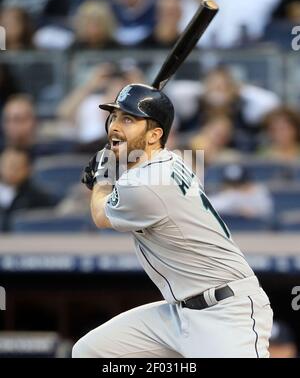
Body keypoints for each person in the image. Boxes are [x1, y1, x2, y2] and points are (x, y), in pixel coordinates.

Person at [73, 83, 273, 358]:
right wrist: (112, 166)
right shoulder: (171, 158)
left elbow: (99, 214)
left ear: (155, 134)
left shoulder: (145, 184)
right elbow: (137, 168)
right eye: (115, 117)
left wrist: (102, 177)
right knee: (91, 351)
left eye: (128, 119)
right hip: (179, 313)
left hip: (227, 313)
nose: (115, 126)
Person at [0, 147, 56, 232]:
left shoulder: (40, 197)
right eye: (8, 165)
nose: (12, 171)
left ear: (28, 169)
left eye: (17, 167)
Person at [209, 163, 274, 220]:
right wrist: (236, 209)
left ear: (247, 182)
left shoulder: (259, 191)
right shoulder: (227, 194)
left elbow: (267, 211)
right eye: (230, 183)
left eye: (238, 184)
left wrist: (252, 211)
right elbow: (210, 206)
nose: (234, 187)